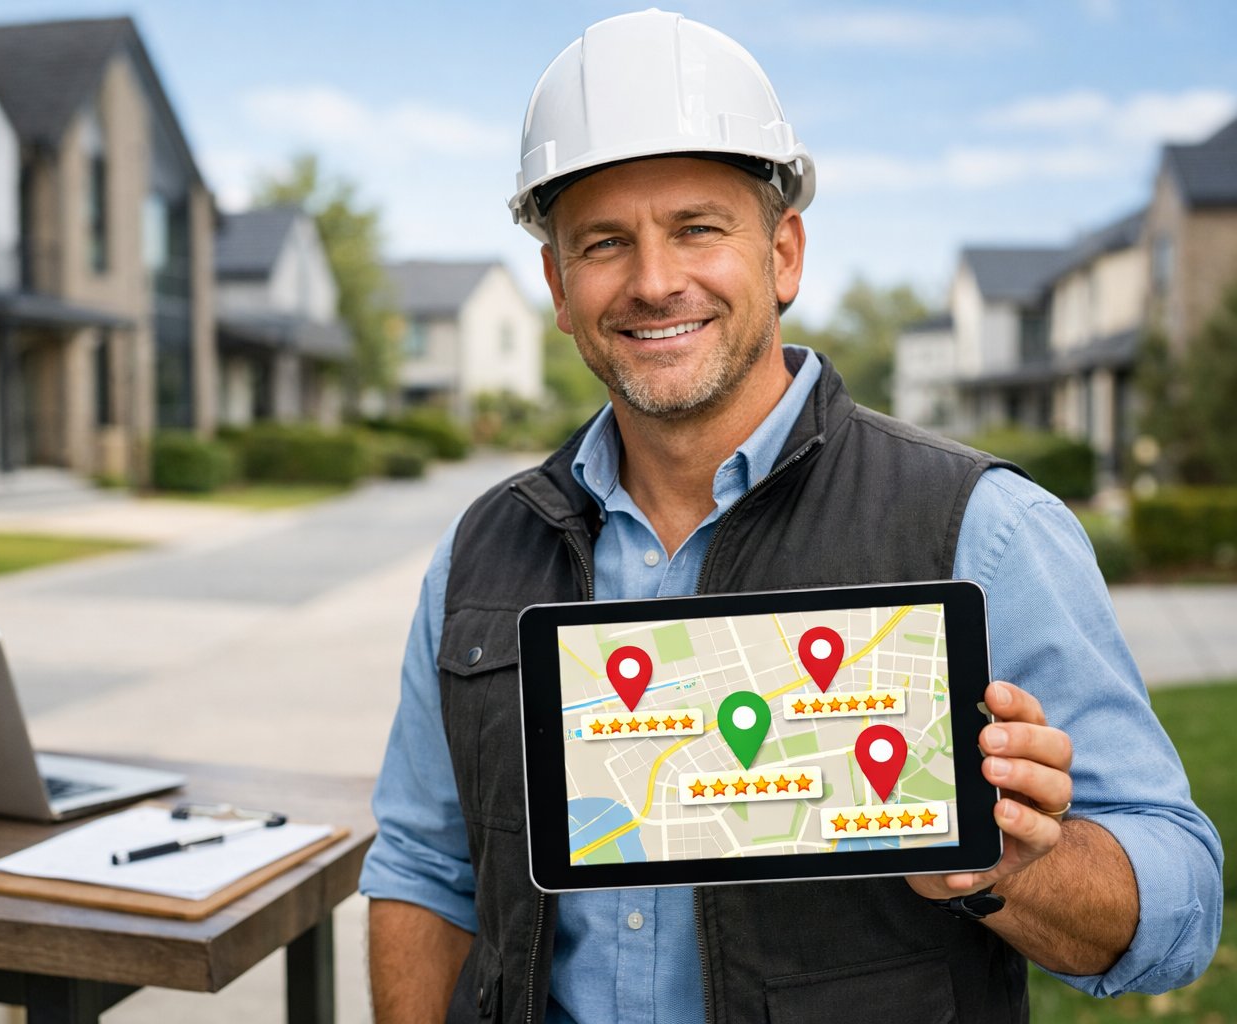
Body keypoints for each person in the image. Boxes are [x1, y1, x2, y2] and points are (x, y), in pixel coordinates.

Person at [359, 10, 1223, 1023]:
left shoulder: (980, 528)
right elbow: (422, 866)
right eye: (604, 242)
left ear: (784, 254)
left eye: (698, 227)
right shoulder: (479, 554)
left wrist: (1011, 866)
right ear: (556, 284)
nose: (652, 280)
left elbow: (1184, 902)